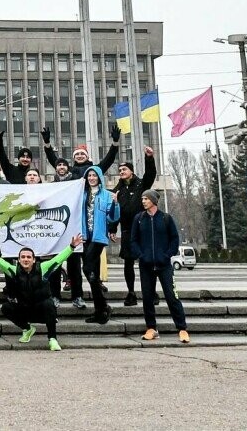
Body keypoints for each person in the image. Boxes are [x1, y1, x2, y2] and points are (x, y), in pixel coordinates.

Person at [0, 236, 84, 351]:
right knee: (5, 307)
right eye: (23, 257)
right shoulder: (14, 270)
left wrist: (71, 247)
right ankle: (27, 329)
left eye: (28, 257)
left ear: (34, 260)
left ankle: (52, 339)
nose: (25, 259)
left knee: (49, 303)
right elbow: (1, 263)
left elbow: (58, 259)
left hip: (42, 311)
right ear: (19, 260)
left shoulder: (43, 268)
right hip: (25, 310)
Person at [130, 190, 190, 343]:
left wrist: (166, 255)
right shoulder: (139, 219)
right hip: (146, 265)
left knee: (172, 296)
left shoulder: (166, 218)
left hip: (164, 265)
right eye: (142, 198)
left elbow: (174, 239)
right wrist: (141, 255)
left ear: (154, 201)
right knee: (147, 298)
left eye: (146, 198)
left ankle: (182, 329)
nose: (143, 201)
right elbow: (133, 241)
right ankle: (151, 328)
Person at [114, 147, 157, 306]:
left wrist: (149, 158)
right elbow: (114, 210)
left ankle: (151, 292)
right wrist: (112, 228)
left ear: (131, 171)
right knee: (128, 263)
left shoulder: (141, 184)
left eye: (124, 169)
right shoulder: (118, 189)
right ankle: (131, 293)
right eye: (119, 170)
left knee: (147, 262)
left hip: (143, 229)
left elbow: (150, 174)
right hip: (126, 231)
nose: (121, 171)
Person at [80, 166, 121, 324]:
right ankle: (101, 310)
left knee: (86, 268)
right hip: (85, 237)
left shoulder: (106, 196)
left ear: (99, 178)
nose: (91, 178)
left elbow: (113, 218)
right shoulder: (82, 194)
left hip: (98, 238)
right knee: (93, 276)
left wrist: (115, 205)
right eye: (89, 175)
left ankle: (103, 306)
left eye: (94, 175)